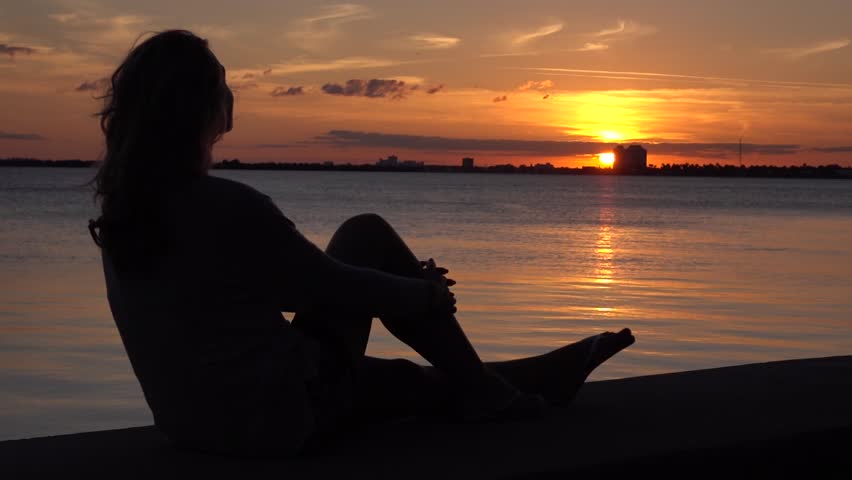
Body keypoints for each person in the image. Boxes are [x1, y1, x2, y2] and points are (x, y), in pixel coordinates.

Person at [87, 30, 635, 457]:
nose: (231, 94)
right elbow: (330, 287)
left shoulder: (123, 216)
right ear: (201, 107)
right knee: (365, 233)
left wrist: (400, 290)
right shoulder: (226, 206)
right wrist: (420, 295)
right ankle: (488, 392)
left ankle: (525, 378)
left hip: (193, 425)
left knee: (402, 381)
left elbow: (290, 289)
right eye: (224, 84)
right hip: (280, 420)